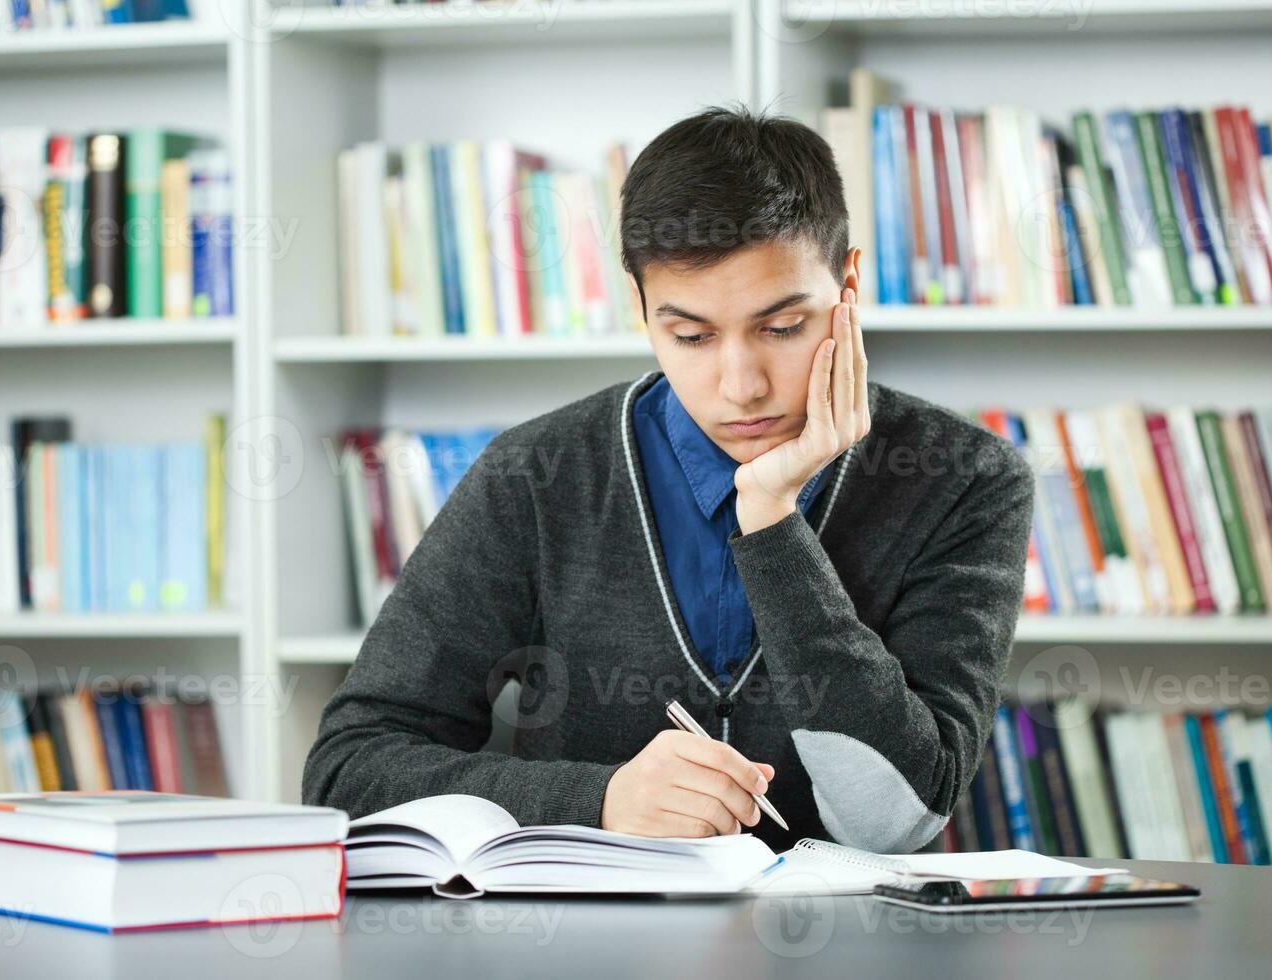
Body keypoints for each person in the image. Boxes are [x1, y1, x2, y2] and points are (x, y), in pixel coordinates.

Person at [303, 105, 1035, 853]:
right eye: (691, 337)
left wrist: (773, 519)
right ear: (640, 309)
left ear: (848, 285)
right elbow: (348, 768)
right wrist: (599, 799)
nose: (741, 385)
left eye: (783, 327)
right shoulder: (536, 477)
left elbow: (894, 820)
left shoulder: (966, 480)